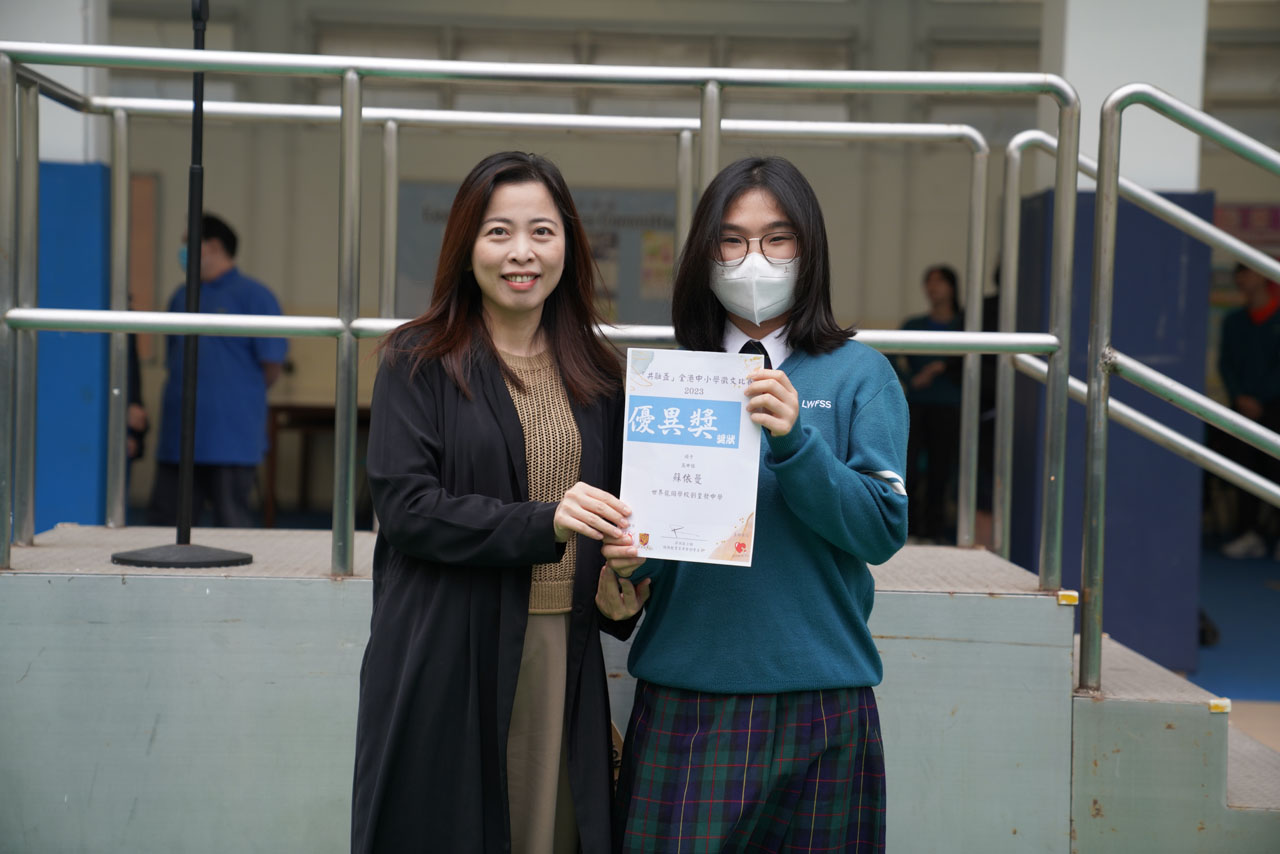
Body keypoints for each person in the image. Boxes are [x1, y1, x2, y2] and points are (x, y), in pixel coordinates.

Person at [600, 155, 908, 853]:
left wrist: (798, 442)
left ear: (809, 249)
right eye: (731, 241)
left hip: (823, 700)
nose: (754, 260)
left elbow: (881, 531)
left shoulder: (860, 375)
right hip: (687, 693)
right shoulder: (669, 380)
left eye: (777, 239)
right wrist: (627, 565)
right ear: (704, 256)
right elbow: (650, 550)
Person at [351, 151, 642, 854]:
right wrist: (545, 521)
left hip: (560, 650)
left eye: (542, 231)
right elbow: (408, 507)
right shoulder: (416, 361)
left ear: (569, 245)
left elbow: (619, 515)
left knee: (550, 832)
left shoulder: (601, 375)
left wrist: (626, 576)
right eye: (498, 232)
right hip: (448, 644)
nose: (522, 252)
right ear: (466, 245)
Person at [147, 213, 287, 528]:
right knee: (166, 528)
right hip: (179, 438)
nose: (182, 251)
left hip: (231, 439)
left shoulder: (255, 296)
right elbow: (173, 358)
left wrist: (234, 396)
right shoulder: (181, 296)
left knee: (232, 527)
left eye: (187, 242)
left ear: (212, 246)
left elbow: (271, 365)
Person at [1216, 261, 1280, 560]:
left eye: (1249, 270)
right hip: (1241, 410)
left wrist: (1261, 398)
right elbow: (1226, 364)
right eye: (1239, 272)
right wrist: (1240, 397)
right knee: (1243, 469)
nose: (1242, 277)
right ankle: (1248, 533)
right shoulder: (1234, 321)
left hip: (1275, 408)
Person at [899, 264, 964, 544]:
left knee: (941, 468)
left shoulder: (963, 325)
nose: (933, 287)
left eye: (939, 281)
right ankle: (909, 528)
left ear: (952, 286)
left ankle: (934, 530)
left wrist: (941, 368)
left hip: (950, 405)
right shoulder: (913, 325)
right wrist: (911, 379)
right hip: (916, 404)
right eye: (929, 281)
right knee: (909, 467)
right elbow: (891, 355)